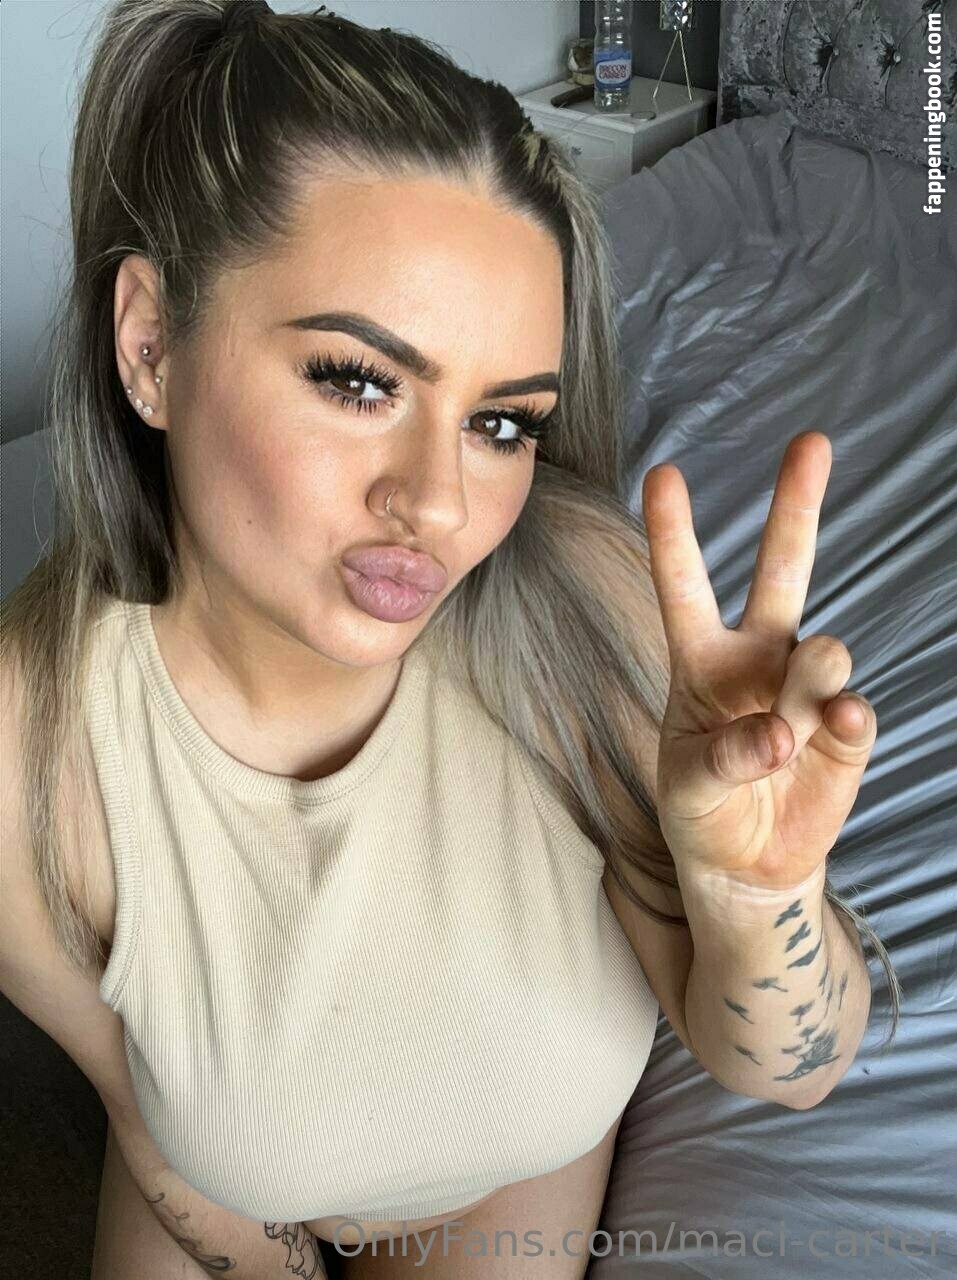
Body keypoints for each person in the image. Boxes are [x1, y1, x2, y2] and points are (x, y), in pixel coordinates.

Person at [0, 3, 900, 1277]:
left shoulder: (583, 610)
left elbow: (789, 1068)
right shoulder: (26, 747)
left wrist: (755, 898)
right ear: (151, 346)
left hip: (504, 1188)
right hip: (211, 1183)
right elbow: (150, 1127)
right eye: (357, 380)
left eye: (500, 423)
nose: (436, 505)